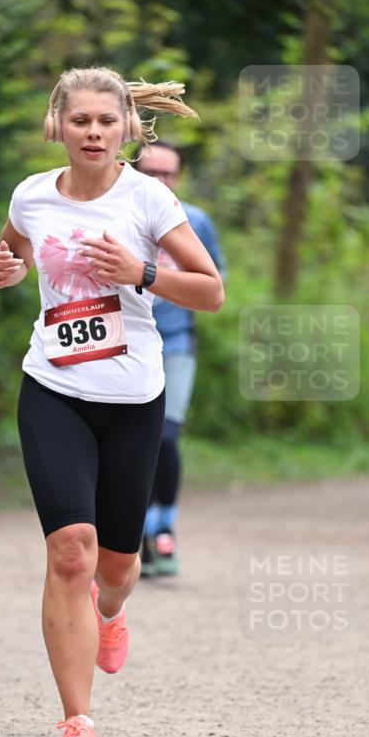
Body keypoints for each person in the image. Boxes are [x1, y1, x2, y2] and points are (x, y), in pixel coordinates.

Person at [0, 66, 224, 737]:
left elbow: (210, 291)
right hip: (52, 387)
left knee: (115, 567)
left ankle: (112, 612)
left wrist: (140, 273)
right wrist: (5, 268)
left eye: (105, 121)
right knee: (70, 552)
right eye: (80, 120)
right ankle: (78, 728)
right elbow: (12, 251)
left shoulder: (148, 198)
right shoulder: (30, 194)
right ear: (56, 125)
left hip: (132, 396)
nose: (93, 132)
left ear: (127, 128)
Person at [134, 140, 227, 577]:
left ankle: (163, 529)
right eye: (152, 173)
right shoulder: (116, 214)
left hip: (174, 342)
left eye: (169, 174)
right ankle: (135, 535)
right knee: (130, 442)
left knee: (166, 437)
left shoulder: (196, 221)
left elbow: (215, 280)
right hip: (123, 344)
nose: (161, 181)